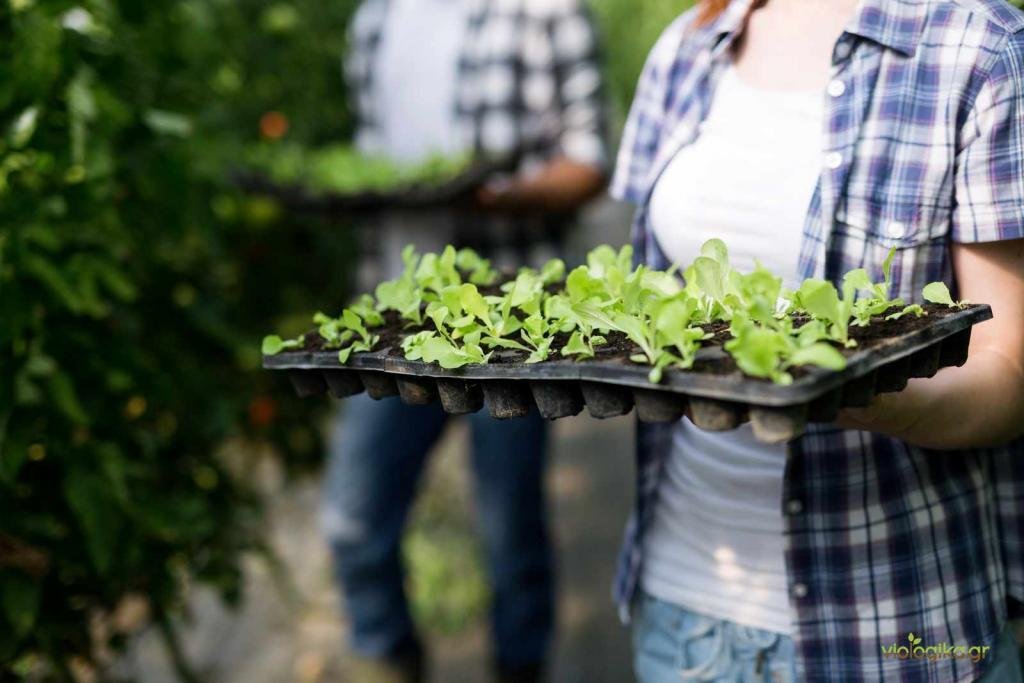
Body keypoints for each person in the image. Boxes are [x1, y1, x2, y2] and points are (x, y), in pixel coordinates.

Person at [611, 0, 1024, 681]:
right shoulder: (689, 45)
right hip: (684, 612)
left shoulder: (979, 47)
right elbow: (639, 294)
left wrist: (862, 394)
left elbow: (1008, 369)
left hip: (902, 626)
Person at [320, 1, 608, 682]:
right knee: (352, 519)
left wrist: (495, 196)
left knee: (510, 534)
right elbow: (368, 152)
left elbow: (589, 161)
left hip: (508, 324)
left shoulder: (545, 11)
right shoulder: (376, 19)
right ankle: (387, 656)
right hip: (392, 317)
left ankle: (520, 663)